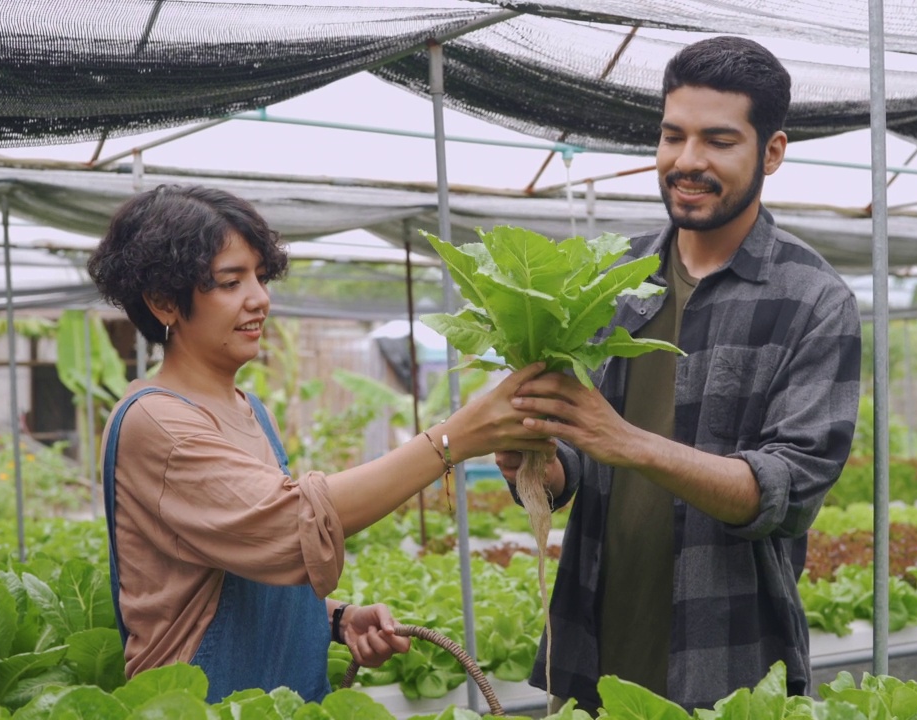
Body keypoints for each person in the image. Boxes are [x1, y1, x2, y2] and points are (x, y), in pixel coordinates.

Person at [497, 36, 862, 711]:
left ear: (771, 152)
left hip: (726, 664)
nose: (687, 162)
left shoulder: (813, 300)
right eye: (673, 136)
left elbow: (785, 490)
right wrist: (536, 463)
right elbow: (578, 461)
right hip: (592, 652)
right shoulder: (613, 277)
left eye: (718, 141)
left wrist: (625, 441)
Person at [87, 185, 549, 704]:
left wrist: (337, 618)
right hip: (201, 705)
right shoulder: (158, 421)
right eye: (229, 281)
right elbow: (286, 525)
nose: (259, 298)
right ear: (163, 301)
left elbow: (242, 557)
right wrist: (453, 439)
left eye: (260, 277)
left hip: (280, 698)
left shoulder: (248, 408)